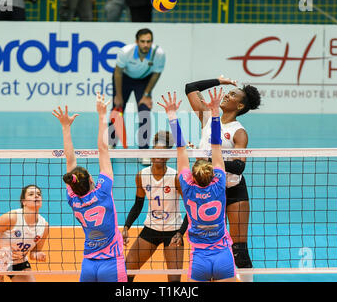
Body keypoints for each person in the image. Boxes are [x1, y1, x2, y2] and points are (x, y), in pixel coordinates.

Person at [184, 76, 261, 280]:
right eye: (229, 92)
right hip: (208, 191)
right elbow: (191, 87)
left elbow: (238, 166)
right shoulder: (208, 117)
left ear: (241, 105)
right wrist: (220, 81)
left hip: (233, 190)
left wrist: (208, 159)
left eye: (233, 94)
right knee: (206, 245)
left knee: (239, 250)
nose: (228, 95)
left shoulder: (239, 132)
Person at [158, 89, 236, 282]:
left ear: (192, 176)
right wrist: (215, 112)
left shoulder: (186, 186)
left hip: (199, 258)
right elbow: (216, 146)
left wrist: (172, 115)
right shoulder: (219, 184)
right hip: (223, 256)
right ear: (213, 174)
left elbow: (181, 148)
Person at [52, 95, 127, 282]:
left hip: (88, 264)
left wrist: (65, 126)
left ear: (73, 184)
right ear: (92, 180)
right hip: (111, 261)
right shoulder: (103, 191)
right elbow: (103, 148)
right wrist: (102, 115)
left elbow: (70, 160)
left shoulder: (73, 200)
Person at [122, 130, 185, 282]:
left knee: (175, 280)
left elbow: (191, 208)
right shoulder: (141, 175)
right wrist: (126, 227)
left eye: (162, 152)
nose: (157, 155)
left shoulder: (176, 177)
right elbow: (138, 205)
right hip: (151, 228)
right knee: (125, 272)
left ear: (169, 156)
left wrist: (181, 233)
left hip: (173, 230)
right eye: (155, 151)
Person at [109, 28, 165, 160]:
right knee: (117, 110)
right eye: (142, 41)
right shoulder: (125, 52)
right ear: (136, 42)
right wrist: (118, 95)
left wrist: (146, 94)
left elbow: (156, 73)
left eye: (148, 41)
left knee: (144, 111)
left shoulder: (159, 54)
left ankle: (143, 152)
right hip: (124, 79)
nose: (146, 45)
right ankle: (111, 143)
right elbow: (117, 72)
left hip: (144, 81)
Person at [0, 184, 49, 282]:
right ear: (24, 202)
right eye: (31, 194)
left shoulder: (44, 226)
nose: (36, 196)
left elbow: (33, 253)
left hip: (18, 261)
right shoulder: (12, 217)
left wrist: (38, 255)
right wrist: (3, 247)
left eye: (38, 194)